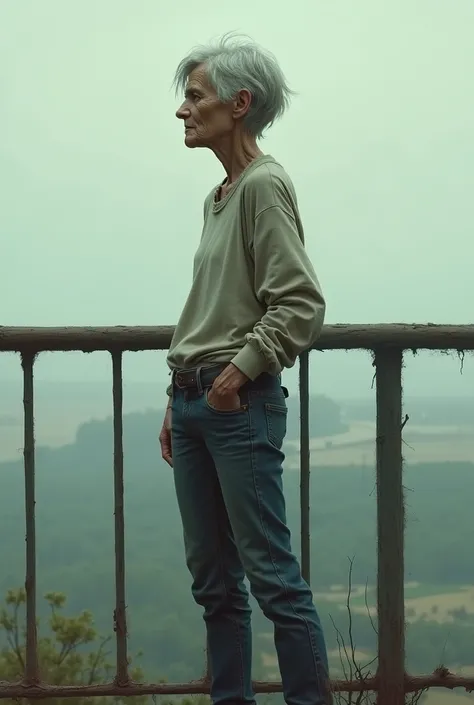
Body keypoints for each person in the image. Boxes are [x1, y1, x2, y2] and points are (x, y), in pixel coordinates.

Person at [159, 33, 331, 705]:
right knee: (214, 582)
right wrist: (181, 395)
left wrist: (237, 372)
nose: (182, 110)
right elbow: (213, 307)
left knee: (272, 578)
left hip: (238, 405)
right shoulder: (221, 194)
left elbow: (301, 302)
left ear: (240, 103)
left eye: (195, 96)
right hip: (198, 403)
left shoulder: (264, 185)